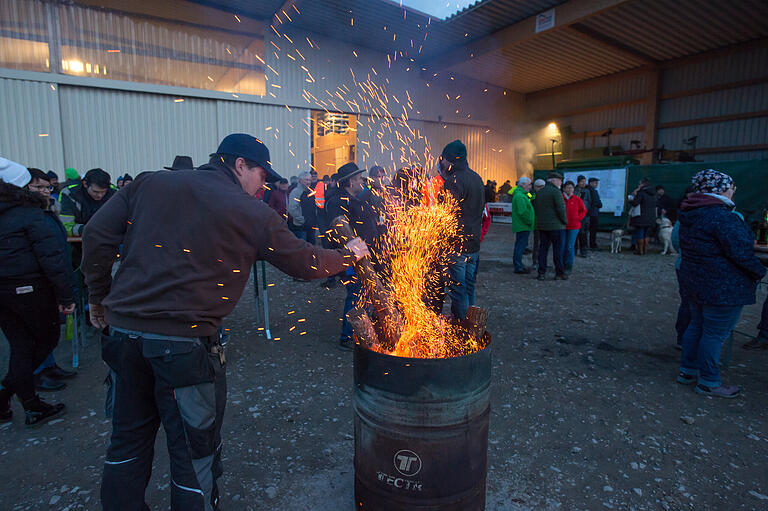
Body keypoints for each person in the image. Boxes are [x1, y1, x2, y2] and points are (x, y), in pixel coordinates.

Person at [81, 134, 368, 510]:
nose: (263, 186)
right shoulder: (249, 211)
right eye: (261, 175)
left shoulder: (149, 182)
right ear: (239, 166)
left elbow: (96, 234)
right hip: (183, 348)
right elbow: (305, 262)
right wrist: (346, 255)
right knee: (192, 455)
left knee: (127, 443)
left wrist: (98, 297)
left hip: (123, 337)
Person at [677, 169, 765, 398]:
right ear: (721, 189)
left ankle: (688, 370)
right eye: (731, 186)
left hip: (696, 282)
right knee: (714, 333)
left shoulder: (691, 213)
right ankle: (708, 381)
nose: (733, 190)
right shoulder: (722, 216)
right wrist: (759, 271)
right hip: (722, 287)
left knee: (697, 326)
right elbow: (741, 252)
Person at [0, 158, 75, 427]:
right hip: (29, 289)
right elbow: (52, 259)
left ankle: (25, 402)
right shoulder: (30, 215)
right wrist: (66, 296)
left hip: (5, 294)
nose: (41, 191)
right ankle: (11, 394)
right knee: (43, 340)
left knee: (21, 345)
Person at [26, 169, 79, 391]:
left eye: (47, 187)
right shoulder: (26, 216)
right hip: (34, 281)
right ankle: (35, 374)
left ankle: (49, 365)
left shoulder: (48, 211)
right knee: (33, 332)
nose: (45, 192)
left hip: (51, 277)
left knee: (48, 327)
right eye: (38, 187)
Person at [324, 163, 377, 349]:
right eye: (359, 179)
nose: (362, 181)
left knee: (364, 295)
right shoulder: (337, 202)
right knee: (356, 296)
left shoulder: (353, 199)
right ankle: (347, 336)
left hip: (363, 256)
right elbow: (340, 232)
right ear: (350, 181)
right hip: (351, 259)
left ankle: (362, 331)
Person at [438, 140, 485, 321]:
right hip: (473, 244)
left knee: (458, 291)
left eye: (443, 159)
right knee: (469, 287)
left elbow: (446, 214)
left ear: (449, 160)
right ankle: (472, 325)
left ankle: (463, 329)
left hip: (456, 245)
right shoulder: (477, 178)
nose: (441, 163)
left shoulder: (453, 181)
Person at [671, 185, 697, 350]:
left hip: (684, 264)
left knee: (687, 303)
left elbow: (676, 240)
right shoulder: (725, 214)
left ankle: (683, 338)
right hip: (693, 265)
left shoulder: (686, 213)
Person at [533, 172, 567, 280]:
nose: (561, 182)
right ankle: (559, 273)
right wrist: (564, 221)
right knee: (557, 250)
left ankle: (541, 273)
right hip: (556, 226)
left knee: (543, 249)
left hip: (542, 226)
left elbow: (536, 208)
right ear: (553, 180)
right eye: (559, 180)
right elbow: (561, 209)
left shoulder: (540, 192)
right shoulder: (556, 192)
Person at [561, 180, 587, 274]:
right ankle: (561, 264)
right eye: (568, 187)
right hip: (562, 226)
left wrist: (578, 218)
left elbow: (583, 210)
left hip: (574, 226)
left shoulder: (577, 199)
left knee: (569, 246)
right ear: (564, 188)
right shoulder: (560, 199)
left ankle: (568, 266)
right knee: (562, 246)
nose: (569, 189)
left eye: (571, 187)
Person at [510, 177, 534, 274]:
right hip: (523, 225)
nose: (530, 187)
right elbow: (522, 212)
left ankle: (518, 265)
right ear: (523, 185)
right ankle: (518, 266)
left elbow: (530, 197)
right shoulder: (520, 196)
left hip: (522, 225)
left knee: (520, 245)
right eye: (529, 185)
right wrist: (529, 221)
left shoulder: (522, 194)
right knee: (520, 246)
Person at [628, 178, 657, 255]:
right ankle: (645, 249)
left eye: (639, 184)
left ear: (643, 184)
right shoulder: (653, 193)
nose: (638, 185)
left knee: (640, 232)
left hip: (641, 216)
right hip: (651, 216)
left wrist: (631, 198)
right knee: (646, 233)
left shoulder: (641, 193)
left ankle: (640, 250)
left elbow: (635, 203)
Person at [287, 171, 317, 244]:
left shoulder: (311, 192)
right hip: (300, 227)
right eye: (306, 180)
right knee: (302, 249)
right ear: (300, 180)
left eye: (309, 180)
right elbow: (292, 208)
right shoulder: (296, 192)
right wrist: (302, 220)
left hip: (311, 226)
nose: (308, 182)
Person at [574, 175, 592, 258]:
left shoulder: (587, 191)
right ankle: (574, 249)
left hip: (584, 216)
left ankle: (583, 250)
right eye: (582, 182)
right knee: (575, 233)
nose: (583, 183)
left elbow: (589, 201)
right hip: (575, 215)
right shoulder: (574, 190)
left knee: (583, 234)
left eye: (585, 182)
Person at [531, 179, 545, 269]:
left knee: (539, 243)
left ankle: (538, 262)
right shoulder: (532, 196)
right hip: (538, 223)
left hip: (540, 223)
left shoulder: (532, 195)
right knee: (538, 243)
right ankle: (537, 262)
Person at [587, 177, 602, 249]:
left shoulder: (586, 190)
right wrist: (600, 204)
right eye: (595, 183)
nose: (596, 184)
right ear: (591, 183)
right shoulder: (593, 191)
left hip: (588, 213)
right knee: (593, 230)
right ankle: (593, 245)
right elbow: (597, 202)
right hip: (593, 213)